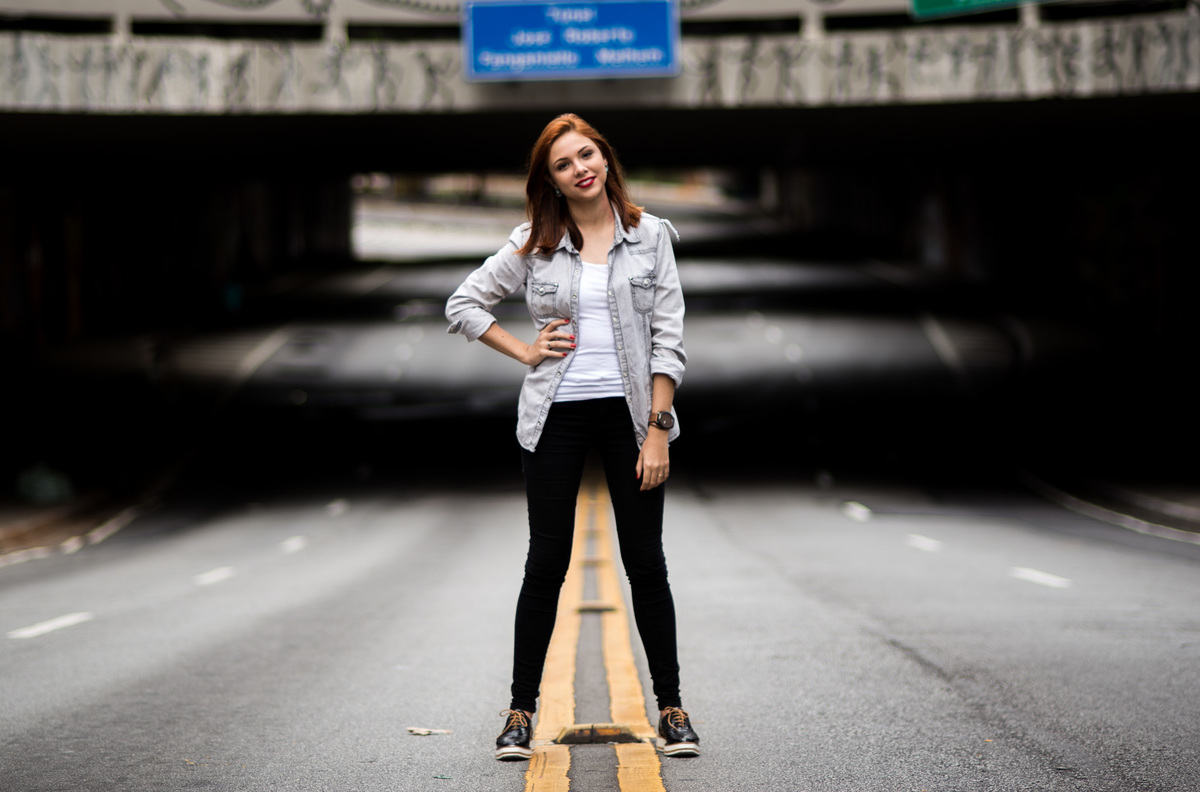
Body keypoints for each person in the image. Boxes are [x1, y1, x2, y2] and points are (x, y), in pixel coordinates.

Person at [445, 113, 700, 761]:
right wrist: (525, 351)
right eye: (563, 164)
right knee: (546, 565)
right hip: (555, 415)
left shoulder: (651, 237)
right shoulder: (533, 243)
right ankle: (519, 713)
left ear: (605, 159)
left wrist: (658, 431)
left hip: (630, 417)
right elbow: (463, 305)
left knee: (646, 564)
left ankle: (671, 708)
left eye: (586, 155)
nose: (579, 169)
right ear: (552, 181)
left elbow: (668, 339)